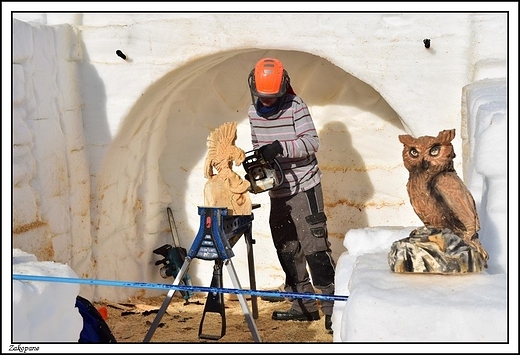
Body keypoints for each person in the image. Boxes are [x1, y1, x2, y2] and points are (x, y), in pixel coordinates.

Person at [246, 57, 336, 333]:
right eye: (264, 97)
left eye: (272, 97)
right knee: (287, 248)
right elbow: (259, 148)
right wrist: (257, 166)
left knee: (314, 247)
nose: (268, 101)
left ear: (283, 88)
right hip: (278, 191)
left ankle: (333, 307)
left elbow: (311, 143)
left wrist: (280, 148)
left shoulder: (296, 107)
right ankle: (303, 305)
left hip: (304, 185)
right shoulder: (253, 113)